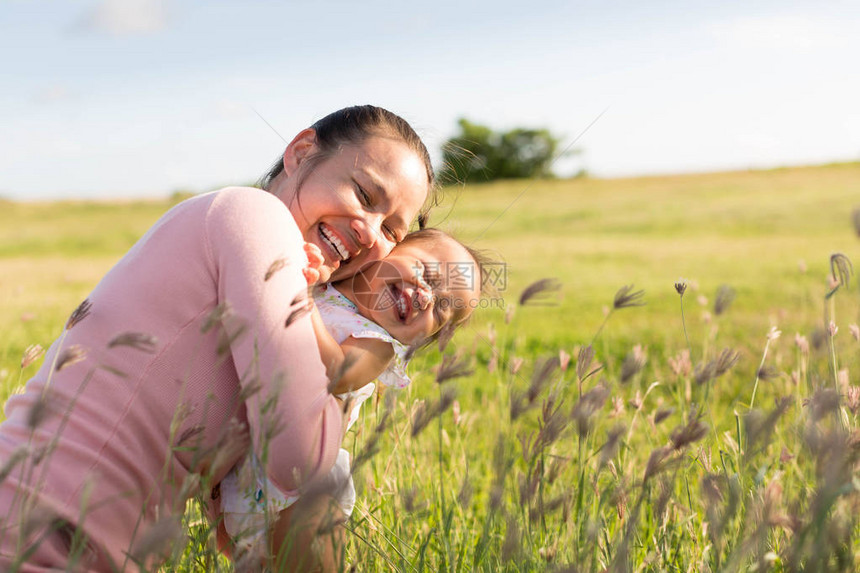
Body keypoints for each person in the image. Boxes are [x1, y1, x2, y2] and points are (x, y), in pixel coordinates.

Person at [0, 105, 435, 572]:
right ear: (301, 152)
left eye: (392, 229)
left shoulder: (260, 285)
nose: (370, 231)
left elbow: (242, 536)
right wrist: (359, 367)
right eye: (365, 193)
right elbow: (299, 463)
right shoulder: (257, 217)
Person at [217, 229, 488, 564]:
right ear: (385, 252)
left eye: (441, 309)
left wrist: (300, 300)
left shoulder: (377, 342)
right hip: (248, 468)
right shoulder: (324, 287)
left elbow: (337, 372)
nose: (426, 297)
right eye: (427, 273)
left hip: (307, 486)